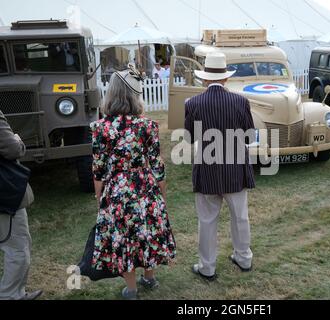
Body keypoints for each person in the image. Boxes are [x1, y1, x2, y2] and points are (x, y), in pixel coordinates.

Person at [90, 65, 176, 300]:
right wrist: (162, 194)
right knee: (147, 230)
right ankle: (149, 277)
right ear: (135, 95)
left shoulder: (100, 128)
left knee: (123, 236)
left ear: (112, 94)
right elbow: (157, 164)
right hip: (144, 185)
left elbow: (98, 169)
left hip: (117, 190)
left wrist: (100, 198)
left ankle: (131, 289)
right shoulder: (147, 125)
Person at [185, 52, 256, 281]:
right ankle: (243, 258)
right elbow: (249, 137)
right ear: (226, 78)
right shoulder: (240, 101)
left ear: (205, 79)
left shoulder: (193, 103)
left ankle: (207, 267)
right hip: (235, 169)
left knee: (206, 221)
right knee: (240, 217)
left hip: (207, 169)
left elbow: (188, 138)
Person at [0, 110, 42, 300]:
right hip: (4, 195)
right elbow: (12, 149)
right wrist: (18, 140)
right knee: (18, 247)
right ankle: (10, 296)